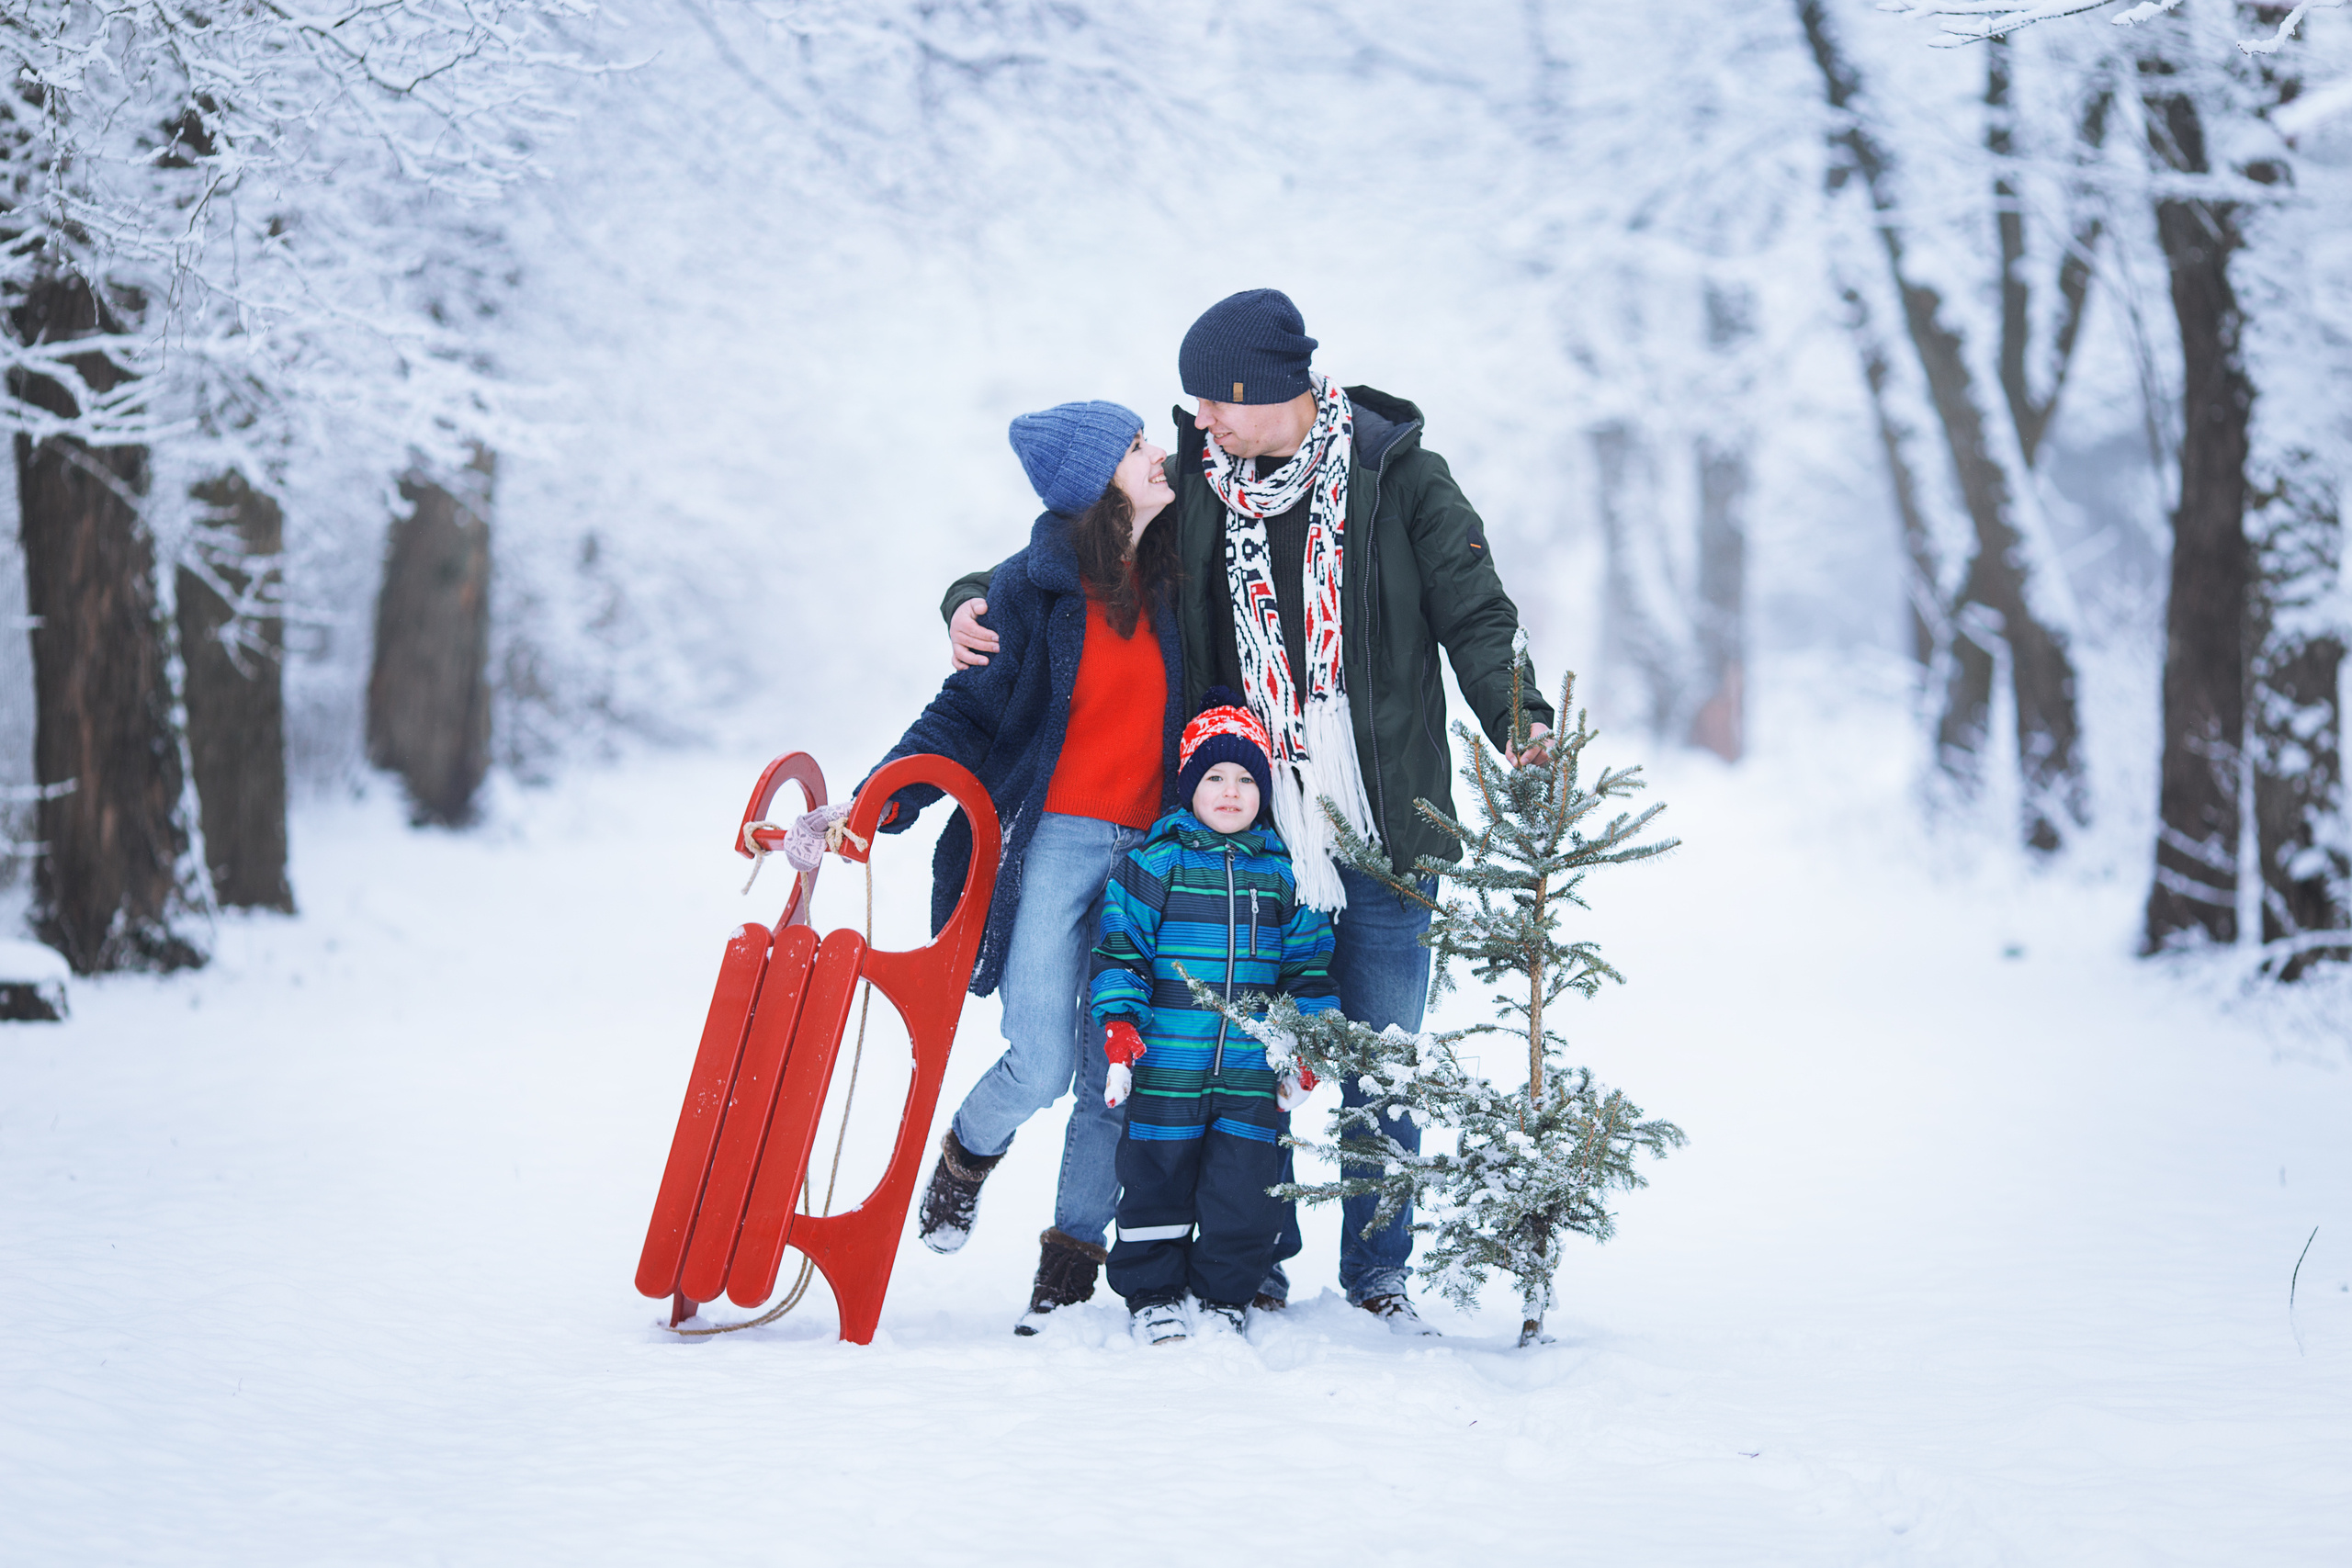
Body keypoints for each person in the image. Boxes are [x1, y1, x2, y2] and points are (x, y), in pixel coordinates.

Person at [942, 290, 1553, 1333]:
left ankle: (1378, 1273)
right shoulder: (1203, 486)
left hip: (1387, 826)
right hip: (1250, 834)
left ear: (1266, 391)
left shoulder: (1398, 478)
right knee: (1245, 1054)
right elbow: (1080, 543)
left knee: (1381, 1059)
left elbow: (1476, 611)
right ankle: (1254, 1257)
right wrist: (964, 599)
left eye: (1213, 403)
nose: (1199, 424)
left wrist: (1522, 724)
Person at [804, 398, 1184, 1335]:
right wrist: (871, 804)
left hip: (1159, 856)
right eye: (1137, 449)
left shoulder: (1187, 575)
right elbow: (962, 720)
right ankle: (968, 1155)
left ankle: (1068, 1269)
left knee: (1114, 1075)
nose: (1159, 455)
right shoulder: (1028, 590)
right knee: (1043, 1060)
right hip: (1054, 842)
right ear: (1097, 485)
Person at [1089, 691, 1337, 1345]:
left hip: (1250, 1076)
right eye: (1215, 777)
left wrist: (1303, 1049)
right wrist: (1120, 1028)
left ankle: (1224, 1295)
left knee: (1245, 1192)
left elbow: (1307, 969)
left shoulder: (1285, 875)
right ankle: (1152, 1294)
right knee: (1153, 1184)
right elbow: (1121, 949)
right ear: (1190, 787)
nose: (1231, 792)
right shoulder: (1155, 864)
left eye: (1247, 779)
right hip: (1169, 1067)